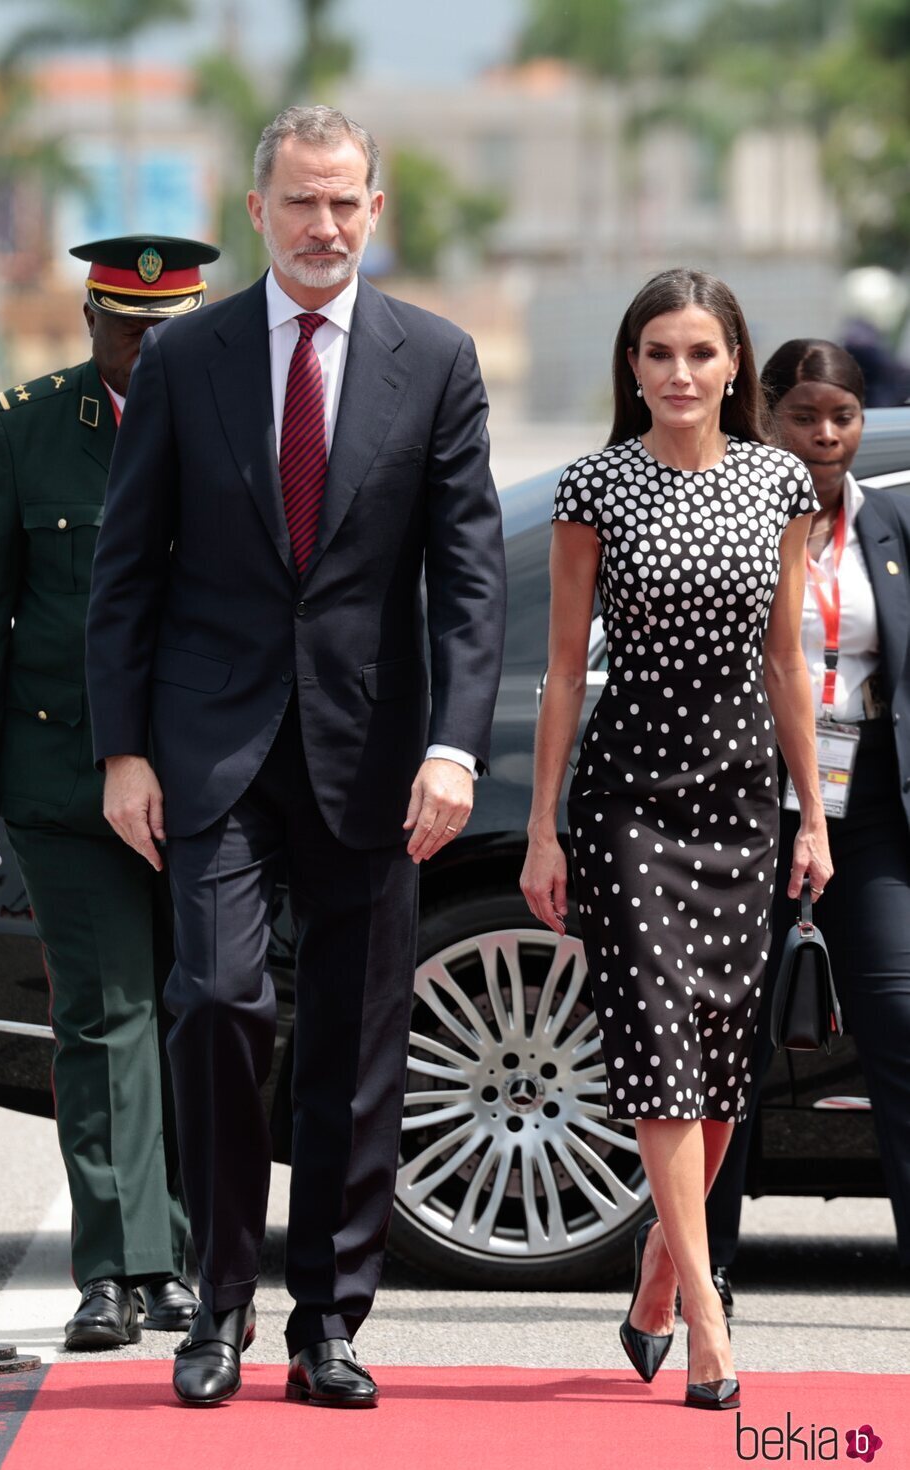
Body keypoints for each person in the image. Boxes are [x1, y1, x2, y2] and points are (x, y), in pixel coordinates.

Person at [84, 105, 506, 1409]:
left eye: (346, 204)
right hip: (210, 749)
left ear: (375, 212)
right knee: (214, 1000)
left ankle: (330, 1317)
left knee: (355, 1042)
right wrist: (122, 753)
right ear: (256, 209)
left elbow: (471, 579)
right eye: (301, 202)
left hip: (375, 754)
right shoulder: (188, 356)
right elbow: (124, 571)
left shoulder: (435, 359)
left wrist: (453, 745)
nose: (325, 226)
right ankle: (217, 1302)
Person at [520, 268, 831, 1411]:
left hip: (741, 797)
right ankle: (707, 1319)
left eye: (699, 353)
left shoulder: (778, 480)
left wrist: (810, 814)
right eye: (657, 354)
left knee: (715, 1063)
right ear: (631, 370)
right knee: (659, 1045)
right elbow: (560, 671)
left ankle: (659, 1272)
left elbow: (787, 663)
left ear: (734, 364)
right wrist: (543, 829)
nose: (680, 374)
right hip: (626, 802)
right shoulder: (593, 484)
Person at [0, 236, 219, 1350]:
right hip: (63, 774)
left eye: (170, 334)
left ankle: (188, 1251)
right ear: (91, 319)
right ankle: (119, 1268)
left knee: (203, 1014)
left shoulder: (237, 428)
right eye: (128, 330)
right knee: (105, 1019)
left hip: (205, 780)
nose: (148, 353)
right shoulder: (25, 428)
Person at [707, 338, 910, 1286]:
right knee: (725, 1049)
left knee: (898, 1028)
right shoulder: (729, 515)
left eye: (843, 417)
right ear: (766, 412)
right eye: (804, 415)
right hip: (745, 803)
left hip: (860, 807)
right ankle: (698, 1278)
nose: (825, 436)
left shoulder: (892, 528)